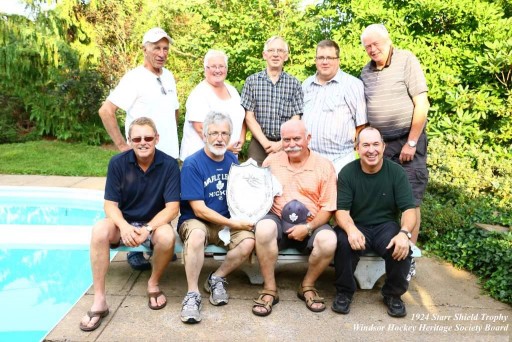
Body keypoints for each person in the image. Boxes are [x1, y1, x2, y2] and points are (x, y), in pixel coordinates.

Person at [79, 117, 180, 331]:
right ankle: (99, 299)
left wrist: (147, 229)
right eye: (137, 138)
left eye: (148, 137)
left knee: (167, 236)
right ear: (130, 140)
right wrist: (124, 226)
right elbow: (110, 205)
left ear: (157, 139)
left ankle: (153, 283)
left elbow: (172, 208)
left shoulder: (170, 165)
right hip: (123, 221)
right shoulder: (117, 163)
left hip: (153, 222)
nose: (143, 142)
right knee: (99, 230)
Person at [98, 27, 180, 271]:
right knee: (135, 203)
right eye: (156, 47)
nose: (162, 53)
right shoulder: (134, 78)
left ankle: (158, 244)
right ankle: (134, 249)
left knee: (166, 205)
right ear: (145, 49)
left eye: (165, 48)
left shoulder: (169, 76)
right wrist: (124, 147)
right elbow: (106, 110)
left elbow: (174, 111)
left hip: (166, 158)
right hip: (141, 154)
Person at [360, 24, 430, 280]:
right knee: (381, 199)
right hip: (379, 146)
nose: (372, 49)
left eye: (376, 44)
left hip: (407, 142)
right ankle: (385, 253)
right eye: (367, 46)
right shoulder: (365, 72)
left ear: (388, 40)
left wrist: (411, 142)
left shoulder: (406, 60)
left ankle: (407, 255)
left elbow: (422, 103)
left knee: (409, 200)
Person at [252, 120, 337, 316]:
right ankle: (270, 289)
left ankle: (307, 285)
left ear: (308, 138)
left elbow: (328, 208)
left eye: (297, 138)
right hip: (277, 219)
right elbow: (259, 198)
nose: (291, 144)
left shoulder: (324, 166)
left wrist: (308, 228)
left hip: (312, 222)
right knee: (263, 229)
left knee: (329, 240)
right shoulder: (270, 162)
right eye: (286, 140)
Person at [178, 112, 255, 324]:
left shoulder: (232, 159)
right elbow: (199, 210)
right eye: (214, 133)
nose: (219, 138)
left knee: (248, 242)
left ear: (230, 137)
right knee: (195, 237)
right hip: (197, 220)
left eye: (224, 133)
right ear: (204, 135)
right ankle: (192, 294)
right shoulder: (193, 163)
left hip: (225, 221)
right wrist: (233, 223)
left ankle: (216, 278)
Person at [332, 127, 416, 318]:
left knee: (400, 246)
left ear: (383, 146)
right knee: (344, 242)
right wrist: (351, 229)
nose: (371, 150)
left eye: (376, 144)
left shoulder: (396, 173)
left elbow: (409, 210)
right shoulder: (347, 173)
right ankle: (344, 293)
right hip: (356, 223)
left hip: (385, 226)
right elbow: (341, 211)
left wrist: (404, 233)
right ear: (357, 148)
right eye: (366, 145)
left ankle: (393, 295)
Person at [302, 40, 367, 175]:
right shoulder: (306, 85)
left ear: (338, 60)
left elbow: (361, 125)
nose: (325, 62)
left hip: (340, 160)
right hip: (309, 159)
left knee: (339, 196)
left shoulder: (352, 84)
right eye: (321, 57)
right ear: (315, 60)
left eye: (330, 58)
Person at [241, 36, 304, 165]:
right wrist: (265, 143)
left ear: (285, 56)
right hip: (259, 142)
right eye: (271, 51)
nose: (275, 54)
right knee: (254, 179)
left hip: (287, 142)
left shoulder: (294, 84)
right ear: (265, 55)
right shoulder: (252, 81)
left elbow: (296, 117)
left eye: (280, 51)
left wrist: (281, 143)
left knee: (285, 179)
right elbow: (249, 117)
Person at [180, 49, 246, 161]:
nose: (217, 70)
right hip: (201, 160)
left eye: (221, 66)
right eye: (213, 67)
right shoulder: (199, 93)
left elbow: (242, 117)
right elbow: (201, 129)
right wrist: (225, 146)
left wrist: (241, 139)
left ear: (226, 69)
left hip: (227, 157)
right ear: (205, 69)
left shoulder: (232, 91)